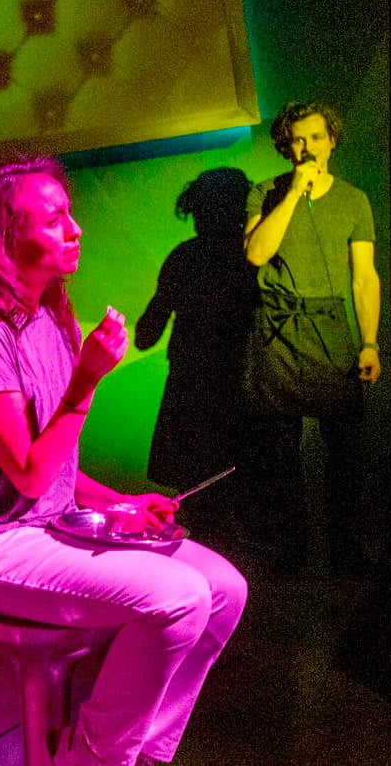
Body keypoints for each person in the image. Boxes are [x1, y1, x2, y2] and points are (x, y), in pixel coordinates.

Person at [0, 158, 246, 766]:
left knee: (225, 590)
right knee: (177, 598)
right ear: (2, 238)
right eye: (53, 219)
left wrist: (120, 505)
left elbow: (59, 477)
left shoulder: (51, 317)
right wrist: (86, 383)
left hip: (45, 528)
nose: (75, 229)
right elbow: (28, 473)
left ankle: (143, 755)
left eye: (69, 214)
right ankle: (96, 759)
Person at [241, 101, 382, 575]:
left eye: (316, 138)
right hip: (278, 331)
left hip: (329, 325)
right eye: (299, 140)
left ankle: (347, 554)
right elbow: (257, 254)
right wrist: (293, 194)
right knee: (279, 458)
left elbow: (364, 276)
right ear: (287, 145)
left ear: (332, 140)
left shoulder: (354, 200)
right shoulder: (265, 192)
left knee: (346, 451)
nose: (308, 148)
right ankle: (289, 558)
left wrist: (369, 343)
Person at [136, 168, 256, 545]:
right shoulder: (253, 255)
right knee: (239, 488)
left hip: (193, 383)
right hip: (242, 384)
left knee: (199, 495)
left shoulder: (184, 256)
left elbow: (145, 333)